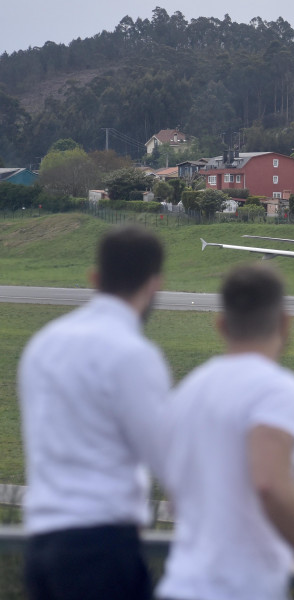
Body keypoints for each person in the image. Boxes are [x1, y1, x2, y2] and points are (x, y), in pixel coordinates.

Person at [157, 263, 294, 600]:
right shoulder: (275, 388)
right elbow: (268, 484)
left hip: (179, 584)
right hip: (237, 589)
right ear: (285, 323)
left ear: (221, 324)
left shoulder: (187, 392)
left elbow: (174, 497)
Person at [18, 225, 171, 600]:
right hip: (100, 549)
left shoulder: (44, 343)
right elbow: (168, 459)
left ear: (95, 278)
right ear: (155, 285)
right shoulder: (133, 354)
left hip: (39, 548)